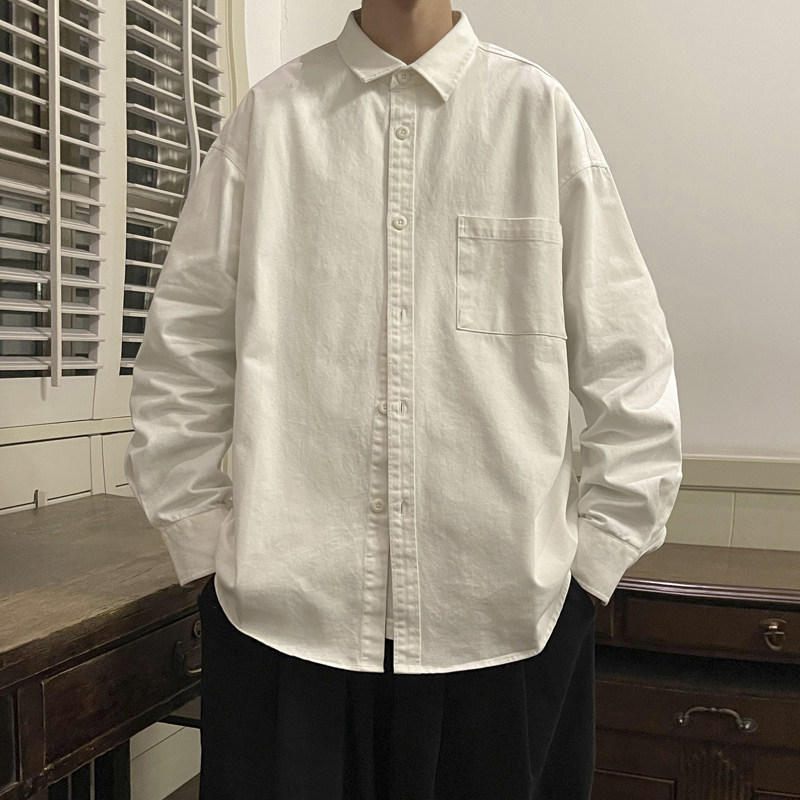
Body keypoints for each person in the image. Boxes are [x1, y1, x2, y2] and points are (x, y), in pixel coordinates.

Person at [124, 2, 683, 798]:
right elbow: (183, 354)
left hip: (505, 625)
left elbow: (629, 360)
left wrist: (592, 566)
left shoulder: (536, 116)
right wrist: (205, 550)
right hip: (286, 623)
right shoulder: (271, 121)